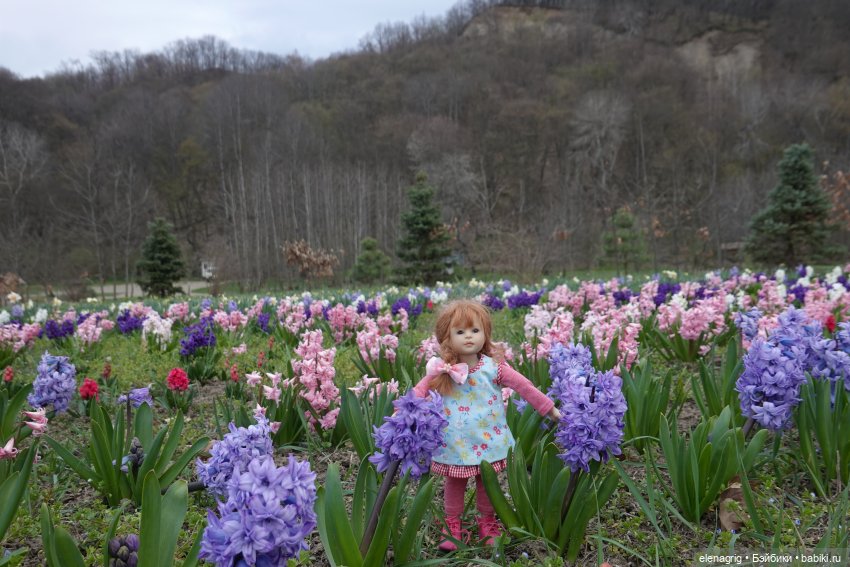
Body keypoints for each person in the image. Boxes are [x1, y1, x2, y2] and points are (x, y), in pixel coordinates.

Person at [413, 299, 560, 550]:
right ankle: (451, 526)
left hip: (488, 439)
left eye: (475, 330)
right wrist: (400, 414)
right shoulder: (441, 370)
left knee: (487, 482)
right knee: (454, 483)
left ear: (485, 334)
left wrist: (548, 408)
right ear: (446, 337)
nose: (468, 337)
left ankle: (487, 523)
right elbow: (417, 392)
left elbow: (524, 386)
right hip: (454, 441)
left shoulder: (494, 368)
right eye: (460, 332)